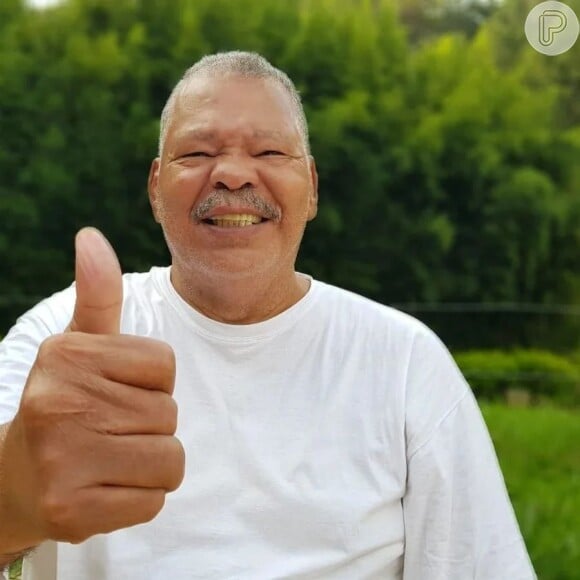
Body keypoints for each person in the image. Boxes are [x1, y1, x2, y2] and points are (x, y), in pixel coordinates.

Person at [0, 51, 536, 580]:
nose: (233, 175)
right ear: (155, 189)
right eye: (197, 152)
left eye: (271, 151)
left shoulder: (403, 362)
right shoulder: (61, 342)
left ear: (313, 188)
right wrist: (13, 503)